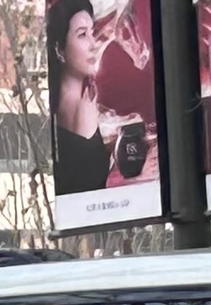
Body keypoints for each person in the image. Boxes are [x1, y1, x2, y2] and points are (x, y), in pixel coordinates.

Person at [49, 0, 152, 195]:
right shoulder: (71, 115)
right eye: (82, 35)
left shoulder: (88, 101)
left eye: (92, 33)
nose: (93, 44)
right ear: (59, 50)